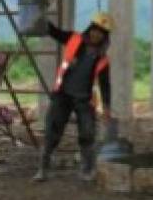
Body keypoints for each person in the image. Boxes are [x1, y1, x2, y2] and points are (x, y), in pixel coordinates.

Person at [33, 12, 113, 183]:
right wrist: (44, 23)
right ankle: (43, 169)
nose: (96, 34)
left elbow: (105, 85)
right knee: (52, 132)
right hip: (63, 95)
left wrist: (107, 107)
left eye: (101, 32)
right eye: (95, 29)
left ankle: (87, 170)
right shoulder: (73, 39)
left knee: (87, 133)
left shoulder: (103, 59)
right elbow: (56, 33)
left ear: (105, 36)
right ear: (90, 28)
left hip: (84, 99)